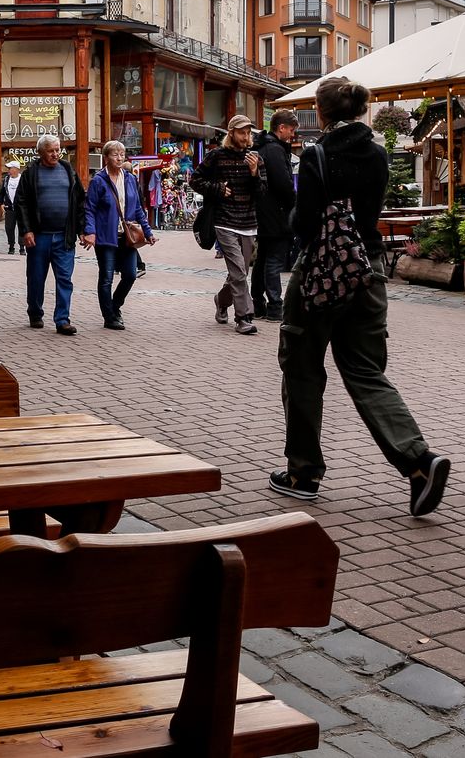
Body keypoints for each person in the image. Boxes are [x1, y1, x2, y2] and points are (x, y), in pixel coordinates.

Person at [269, 76, 451, 518]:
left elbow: (305, 222)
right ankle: (418, 461)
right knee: (366, 370)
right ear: (361, 110)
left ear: (322, 110)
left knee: (303, 368)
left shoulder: (315, 155)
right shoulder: (379, 153)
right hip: (367, 271)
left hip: (320, 274)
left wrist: (298, 216)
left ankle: (303, 473)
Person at [193, 115, 265, 335]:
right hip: (224, 221)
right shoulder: (216, 155)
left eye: (248, 133)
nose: (246, 137)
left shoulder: (255, 158)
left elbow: (262, 192)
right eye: (242, 132)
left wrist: (254, 174)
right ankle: (244, 317)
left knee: (239, 272)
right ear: (232, 133)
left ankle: (221, 301)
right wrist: (217, 188)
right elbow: (195, 180)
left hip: (248, 222)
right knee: (238, 271)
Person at [14, 134, 86, 336]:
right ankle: (35, 312)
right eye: (51, 150)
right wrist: (26, 230)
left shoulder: (68, 170)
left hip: (64, 236)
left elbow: (80, 201)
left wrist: (83, 230)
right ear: (40, 152)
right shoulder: (31, 174)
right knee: (36, 278)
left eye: (57, 149)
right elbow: (21, 203)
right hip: (39, 236)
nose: (55, 154)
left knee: (65, 278)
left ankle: (62, 320)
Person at [82, 140, 156, 330]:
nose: (119, 157)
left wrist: (148, 231)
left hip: (127, 237)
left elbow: (138, 208)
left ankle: (115, 306)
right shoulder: (98, 181)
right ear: (106, 158)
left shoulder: (130, 179)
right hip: (106, 236)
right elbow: (89, 209)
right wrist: (90, 231)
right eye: (115, 154)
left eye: (122, 154)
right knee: (106, 277)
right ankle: (109, 317)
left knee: (130, 275)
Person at [251, 110, 299, 322]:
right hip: (277, 214)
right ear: (281, 128)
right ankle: (274, 306)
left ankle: (258, 303)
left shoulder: (263, 147)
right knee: (273, 260)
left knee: (263, 258)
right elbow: (283, 184)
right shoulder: (275, 150)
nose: (292, 134)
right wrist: (294, 202)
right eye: (291, 130)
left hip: (263, 213)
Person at [0, 160, 24, 254]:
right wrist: (1, 203)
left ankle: (22, 247)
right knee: (9, 228)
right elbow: (2, 192)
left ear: (16, 169)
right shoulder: (6, 179)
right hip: (9, 207)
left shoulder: (23, 179)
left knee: (22, 227)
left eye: (10, 168)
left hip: (21, 208)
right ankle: (11, 246)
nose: (8, 170)